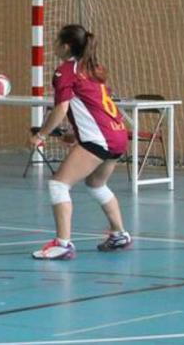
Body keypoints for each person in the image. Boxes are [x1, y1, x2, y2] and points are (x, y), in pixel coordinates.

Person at [28, 24, 131, 260]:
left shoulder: (66, 71)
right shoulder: (94, 68)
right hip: (117, 134)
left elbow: (61, 108)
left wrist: (40, 135)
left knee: (58, 185)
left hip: (100, 138)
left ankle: (63, 244)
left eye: (56, 41)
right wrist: (76, 136)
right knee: (96, 184)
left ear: (65, 46)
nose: (54, 45)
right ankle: (119, 234)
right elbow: (94, 108)